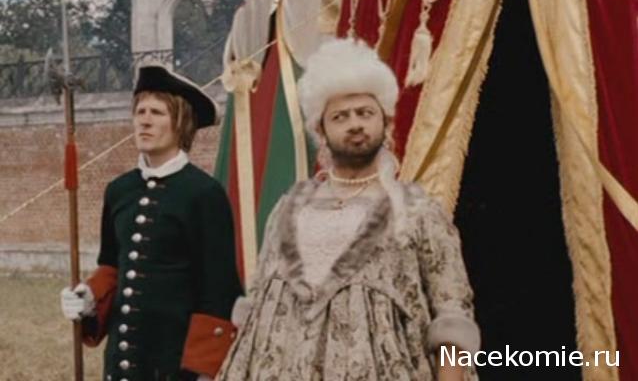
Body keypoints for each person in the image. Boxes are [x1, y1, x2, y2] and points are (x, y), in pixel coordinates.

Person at [216, 38, 481, 381]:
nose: (355, 123)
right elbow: (256, 313)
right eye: (340, 116)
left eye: (365, 113)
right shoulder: (289, 208)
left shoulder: (418, 210)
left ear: (385, 122)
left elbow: (452, 314)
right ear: (321, 130)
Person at [60, 65, 243, 381]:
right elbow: (112, 266)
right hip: (122, 364)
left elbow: (218, 289)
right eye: (140, 111)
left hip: (174, 366)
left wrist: (199, 371)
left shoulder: (204, 194)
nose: (144, 120)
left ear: (181, 122)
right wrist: (88, 297)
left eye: (157, 112)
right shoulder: (119, 190)